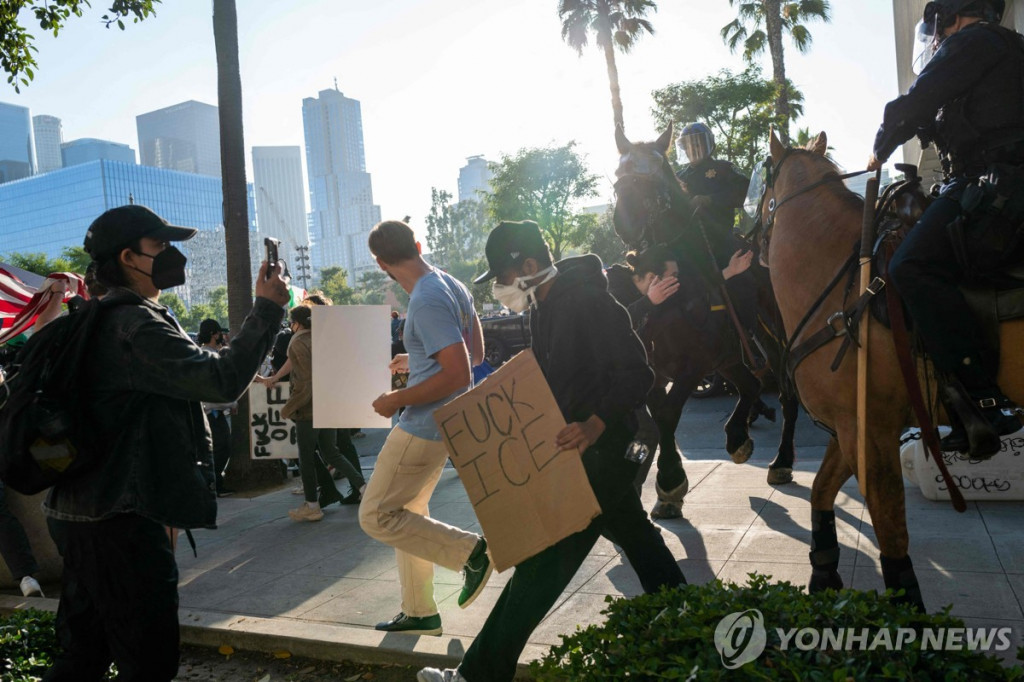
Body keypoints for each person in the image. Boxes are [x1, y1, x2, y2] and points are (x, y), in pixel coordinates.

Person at [418, 220, 686, 682]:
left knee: (544, 561)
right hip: (581, 454)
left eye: (501, 277)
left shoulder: (588, 300)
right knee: (635, 534)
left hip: (608, 451)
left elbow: (637, 374)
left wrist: (594, 423)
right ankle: (689, 617)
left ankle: (477, 675)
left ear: (527, 265)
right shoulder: (541, 306)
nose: (500, 288)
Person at [42, 204, 290, 682]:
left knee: (84, 655)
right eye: (159, 247)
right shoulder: (135, 325)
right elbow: (219, 380)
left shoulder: (97, 316)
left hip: (83, 512)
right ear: (129, 257)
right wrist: (268, 308)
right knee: (148, 662)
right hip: (120, 521)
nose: (173, 256)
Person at [868, 0, 1023, 457]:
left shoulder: (972, 42)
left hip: (997, 185)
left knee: (910, 265)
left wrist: (881, 144)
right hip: (1001, 182)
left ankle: (984, 401)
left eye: (935, 29)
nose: (934, 39)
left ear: (949, 17)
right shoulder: (1008, 47)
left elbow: (915, 102)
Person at [358, 219, 489, 637]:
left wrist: (394, 399)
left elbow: (457, 375)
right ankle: (419, 612)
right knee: (408, 514)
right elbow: (475, 353)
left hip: (421, 426)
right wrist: (417, 362)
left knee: (376, 516)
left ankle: (471, 552)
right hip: (443, 426)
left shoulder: (426, 299)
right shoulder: (452, 285)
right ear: (417, 243)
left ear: (381, 264)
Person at [279, 305, 367, 521]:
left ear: (297, 323)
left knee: (306, 457)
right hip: (329, 403)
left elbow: (305, 383)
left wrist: (289, 407)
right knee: (331, 452)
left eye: (291, 322)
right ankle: (364, 487)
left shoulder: (298, 342)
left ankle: (312, 505)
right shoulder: (323, 339)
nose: (291, 326)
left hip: (309, 409)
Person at [675, 121, 759, 333]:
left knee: (746, 280)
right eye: (688, 145)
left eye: (697, 144)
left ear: (708, 145)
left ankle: (753, 333)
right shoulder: (678, 177)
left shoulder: (723, 169)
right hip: (688, 246)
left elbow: (748, 192)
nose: (693, 149)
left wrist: (711, 199)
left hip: (722, 239)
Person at [198, 318, 236, 497]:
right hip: (213, 412)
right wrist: (231, 403)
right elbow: (213, 389)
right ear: (214, 334)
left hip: (213, 411)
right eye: (220, 332)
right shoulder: (211, 356)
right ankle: (214, 484)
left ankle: (214, 483)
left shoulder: (206, 354)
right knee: (222, 448)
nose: (222, 335)